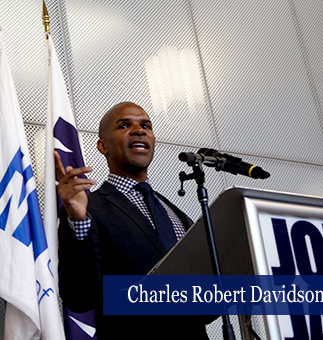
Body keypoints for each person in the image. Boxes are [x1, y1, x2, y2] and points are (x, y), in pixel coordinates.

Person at [56, 101, 211, 339]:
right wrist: (78, 220)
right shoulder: (88, 210)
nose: (139, 130)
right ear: (102, 145)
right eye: (124, 125)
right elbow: (80, 298)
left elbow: (205, 310)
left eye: (146, 125)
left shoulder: (176, 214)